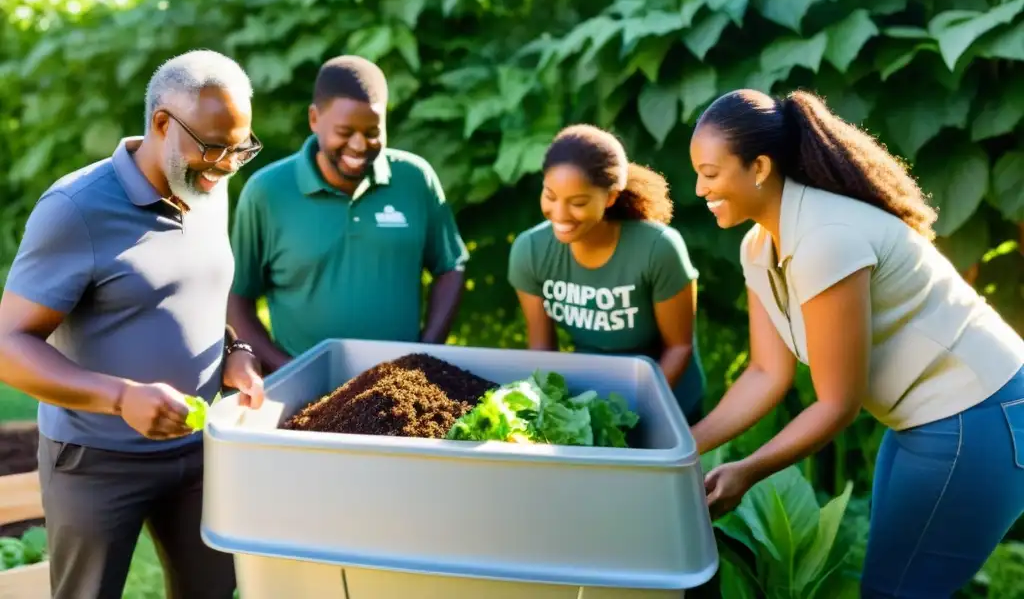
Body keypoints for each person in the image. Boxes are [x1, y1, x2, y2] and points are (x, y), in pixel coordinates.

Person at [688, 88, 1024, 597]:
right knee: (888, 589)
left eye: (710, 174)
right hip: (923, 421)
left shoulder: (826, 238)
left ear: (758, 167)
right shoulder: (759, 244)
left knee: (898, 592)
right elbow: (766, 373)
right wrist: (683, 450)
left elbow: (837, 404)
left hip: (980, 415)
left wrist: (747, 471)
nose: (698, 188)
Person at [0, 49, 266, 599]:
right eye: (213, 147)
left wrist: (233, 347)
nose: (225, 165)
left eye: (239, 149)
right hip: (96, 462)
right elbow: (7, 344)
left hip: (197, 449)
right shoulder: (75, 209)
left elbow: (194, 295)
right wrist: (121, 398)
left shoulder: (208, 189)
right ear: (162, 124)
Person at [228, 55, 469, 370]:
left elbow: (451, 266)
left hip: (400, 389)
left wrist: (425, 354)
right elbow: (237, 298)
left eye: (372, 131)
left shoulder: (415, 179)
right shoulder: (267, 192)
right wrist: (288, 369)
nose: (359, 145)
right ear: (314, 119)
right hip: (306, 392)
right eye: (345, 131)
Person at [507, 124, 706, 425]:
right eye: (550, 195)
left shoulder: (658, 249)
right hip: (590, 401)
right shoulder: (531, 251)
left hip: (667, 397)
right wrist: (556, 417)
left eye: (578, 203)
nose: (560, 214)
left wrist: (635, 415)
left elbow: (679, 347)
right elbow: (542, 350)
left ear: (610, 197)